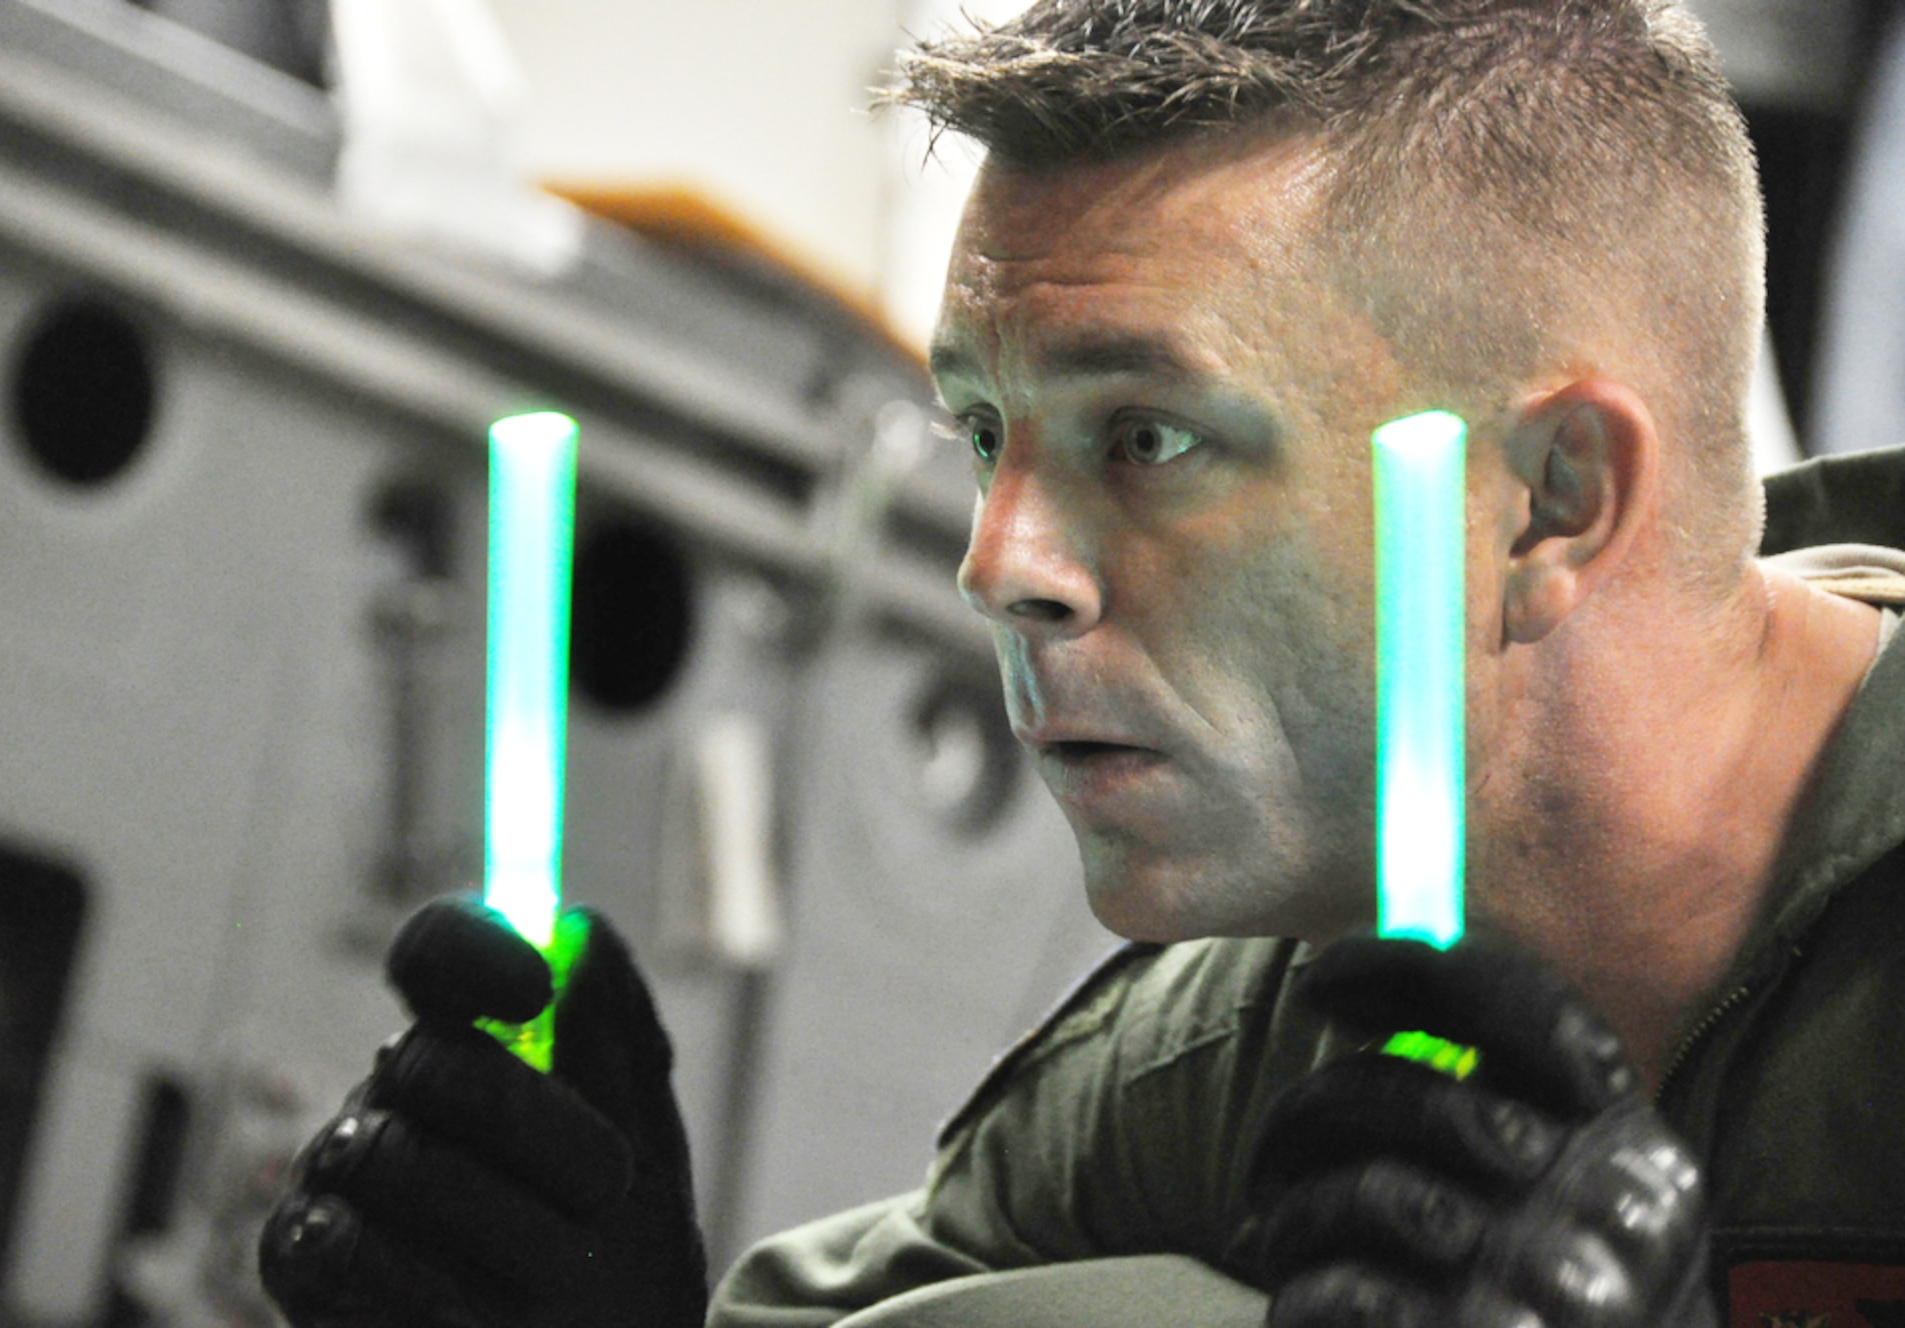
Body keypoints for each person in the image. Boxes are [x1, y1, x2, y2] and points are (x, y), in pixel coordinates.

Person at [259, 2, 1905, 1325]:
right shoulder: (1227, 1067)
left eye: (1147, 436)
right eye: (986, 434)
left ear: (1552, 503)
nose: (1000, 566)